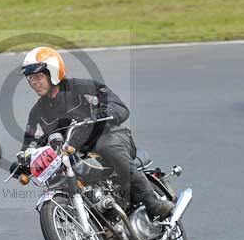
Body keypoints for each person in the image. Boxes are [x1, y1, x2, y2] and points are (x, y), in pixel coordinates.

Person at [14, 46, 175, 220]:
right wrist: (23, 160)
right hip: (75, 154)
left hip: (111, 136)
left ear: (53, 73)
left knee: (107, 145)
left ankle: (153, 203)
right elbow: (31, 143)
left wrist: (106, 112)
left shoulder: (83, 88)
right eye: (30, 78)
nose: (34, 82)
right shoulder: (37, 113)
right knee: (56, 176)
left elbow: (120, 108)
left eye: (38, 77)